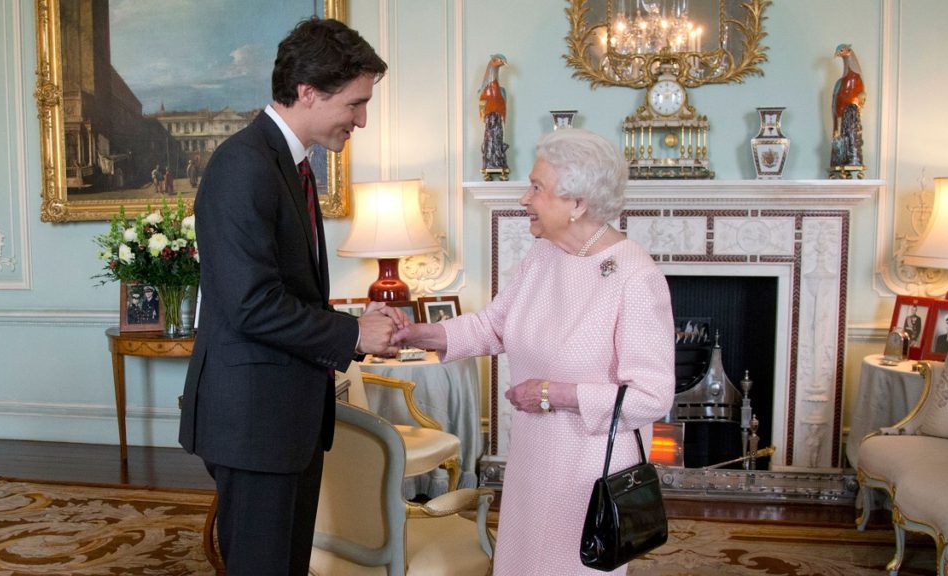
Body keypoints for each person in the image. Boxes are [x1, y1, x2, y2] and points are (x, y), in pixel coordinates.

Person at [394, 128, 676, 575]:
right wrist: (415, 334)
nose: (525, 198)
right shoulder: (544, 254)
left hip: (588, 470)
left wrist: (552, 393)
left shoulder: (634, 276)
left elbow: (652, 395)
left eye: (538, 188)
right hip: (532, 458)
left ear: (577, 203)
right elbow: (494, 326)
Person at [178, 17, 396, 576]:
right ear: (308, 92)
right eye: (355, 103)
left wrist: (353, 321)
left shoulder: (287, 164)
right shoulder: (243, 165)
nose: (362, 119)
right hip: (253, 422)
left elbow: (285, 289)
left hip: (281, 418)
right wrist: (352, 334)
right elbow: (251, 304)